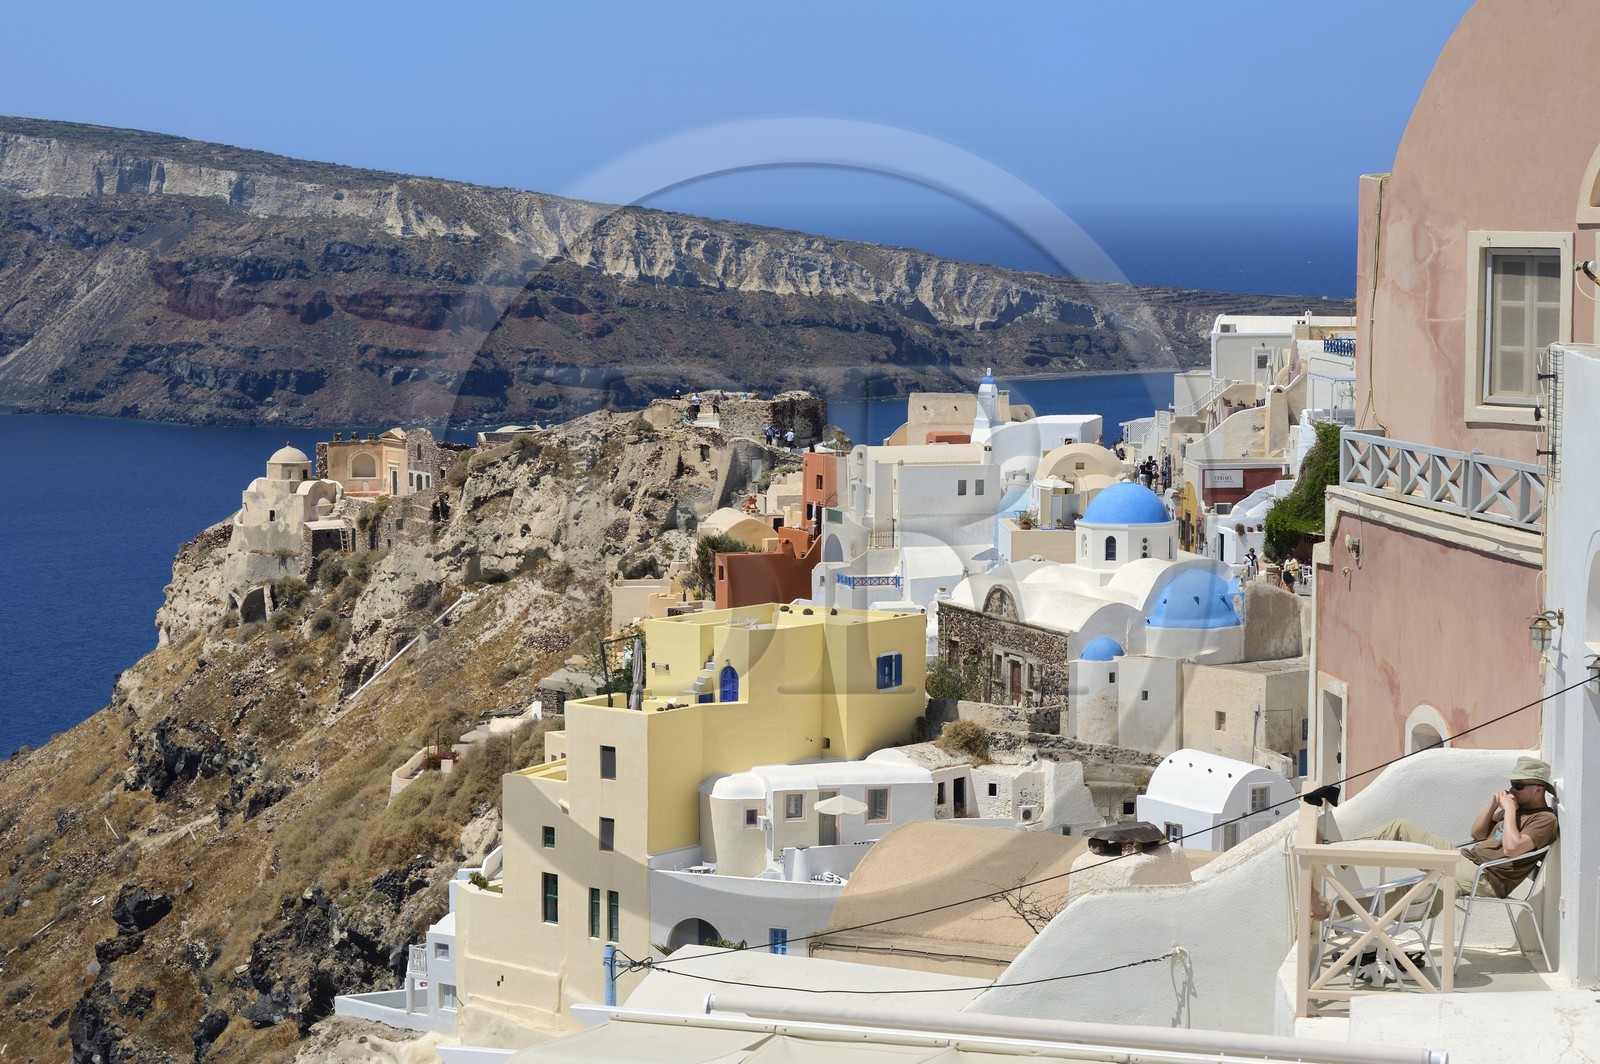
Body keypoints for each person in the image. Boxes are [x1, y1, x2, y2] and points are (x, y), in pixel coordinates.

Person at [1310, 755, 1559, 921]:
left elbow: (1512, 849)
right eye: (1511, 783)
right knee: (1401, 828)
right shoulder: (1515, 808)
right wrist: (1493, 803)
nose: (1511, 789)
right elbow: (1477, 834)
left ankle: (1333, 910)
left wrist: (1511, 810)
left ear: (1537, 789)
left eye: (1518, 785)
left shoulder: (1544, 820)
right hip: (1466, 859)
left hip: (1485, 877)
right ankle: (1341, 853)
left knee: (1413, 892)